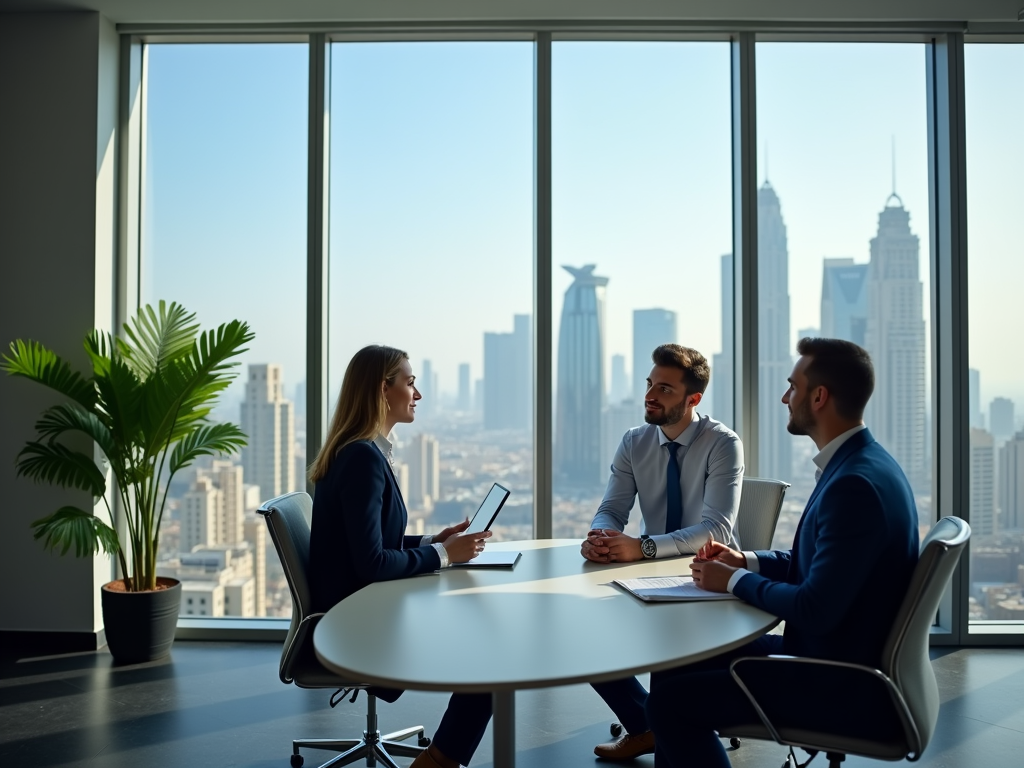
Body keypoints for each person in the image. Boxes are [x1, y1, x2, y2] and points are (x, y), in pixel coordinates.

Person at [644, 337, 920, 768]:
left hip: (837, 682)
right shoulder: (862, 464)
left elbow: (814, 607)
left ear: (819, 396)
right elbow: (815, 566)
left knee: (669, 703)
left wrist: (733, 581)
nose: (784, 397)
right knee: (671, 665)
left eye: (792, 386)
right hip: (838, 657)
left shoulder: (854, 486)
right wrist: (744, 561)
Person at [308, 344, 493, 768]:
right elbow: (371, 563)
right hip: (358, 624)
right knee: (488, 650)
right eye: (409, 382)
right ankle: (440, 760)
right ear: (381, 390)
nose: (417, 393)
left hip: (363, 608)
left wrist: (434, 541)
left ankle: (443, 758)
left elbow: (371, 542)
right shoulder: (362, 458)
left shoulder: (361, 451)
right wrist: (444, 556)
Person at [583, 344, 744, 761]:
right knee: (585, 641)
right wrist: (601, 536)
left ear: (693, 399)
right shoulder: (633, 442)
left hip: (706, 578)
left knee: (671, 675)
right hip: (647, 574)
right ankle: (646, 725)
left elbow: (715, 530)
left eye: (665, 389)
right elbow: (612, 509)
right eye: (650, 385)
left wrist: (643, 547)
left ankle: (660, 726)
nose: (650, 395)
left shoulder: (722, 444)